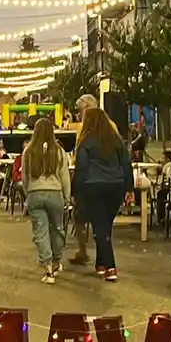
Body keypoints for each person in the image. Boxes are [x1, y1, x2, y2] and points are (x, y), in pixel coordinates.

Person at [72, 108, 134, 282]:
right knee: (105, 225)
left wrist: (76, 192)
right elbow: (126, 164)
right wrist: (129, 188)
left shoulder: (86, 141)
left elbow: (81, 168)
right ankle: (100, 263)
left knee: (100, 227)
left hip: (93, 186)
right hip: (116, 185)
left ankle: (110, 266)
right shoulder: (116, 140)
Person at [22, 118, 71, 283]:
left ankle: (48, 269)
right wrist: (67, 196)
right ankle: (57, 260)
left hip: (35, 194)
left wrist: (28, 194)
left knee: (41, 232)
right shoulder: (58, 151)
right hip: (55, 193)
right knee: (57, 229)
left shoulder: (28, 151)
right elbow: (65, 177)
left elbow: (24, 177)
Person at [69, 93, 100, 266]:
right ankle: (90, 252)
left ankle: (84, 251)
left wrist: (75, 186)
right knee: (91, 217)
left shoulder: (87, 130)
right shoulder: (108, 126)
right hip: (102, 178)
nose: (79, 114)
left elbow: (81, 159)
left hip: (89, 179)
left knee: (81, 216)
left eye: (81, 110)